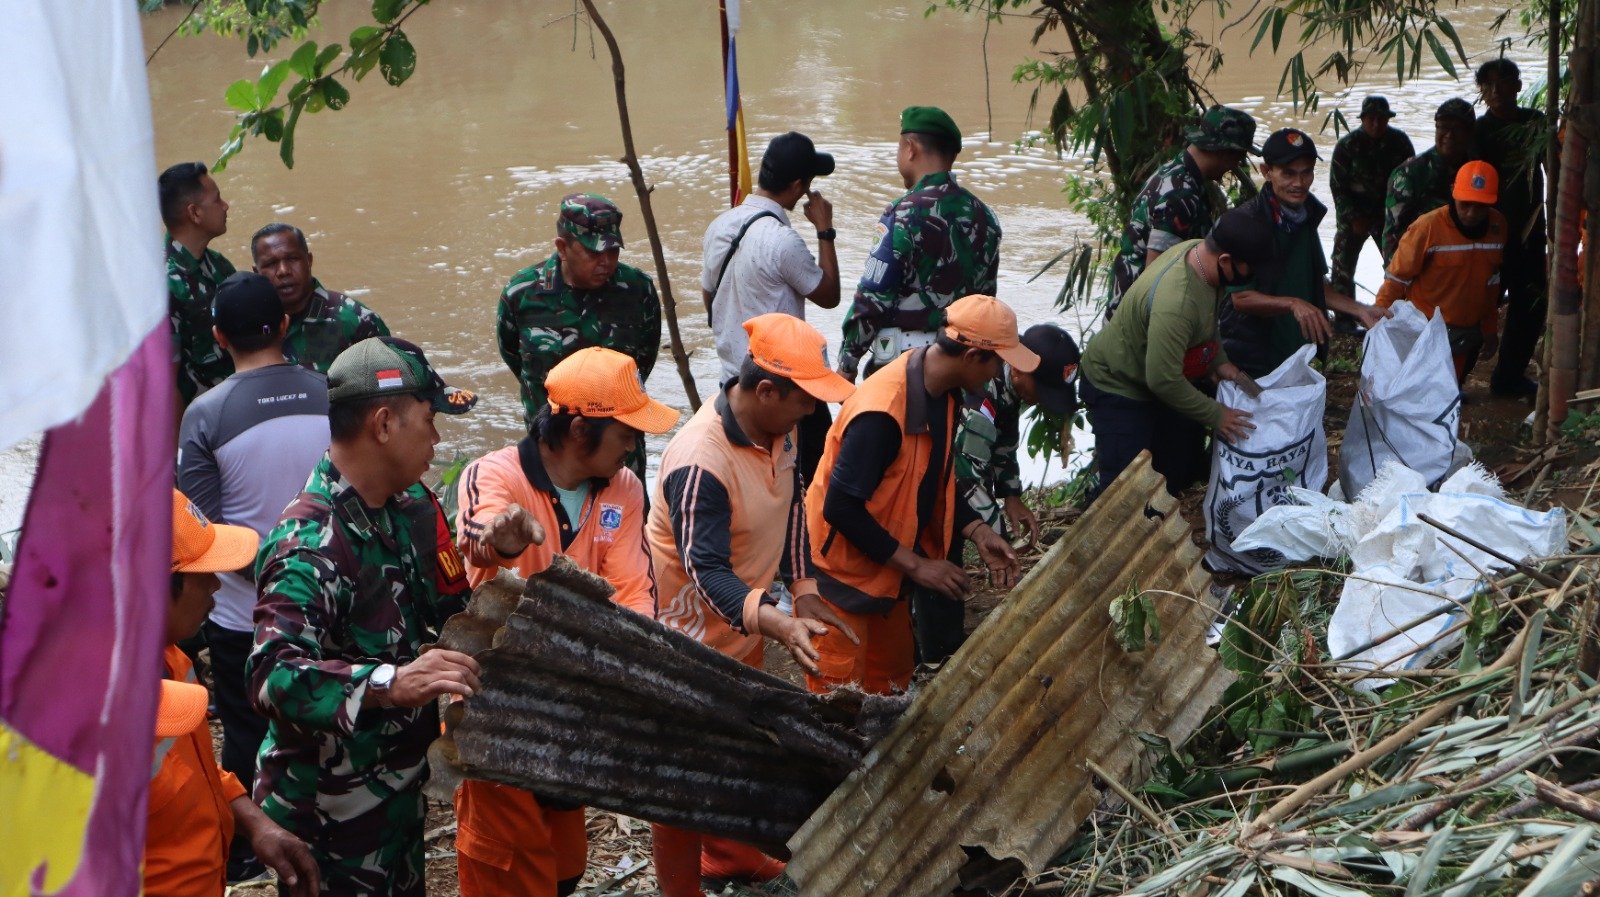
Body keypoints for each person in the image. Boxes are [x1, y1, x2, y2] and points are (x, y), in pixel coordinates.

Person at [250, 336, 483, 897]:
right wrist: (388, 683)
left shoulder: (412, 508)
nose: (437, 437)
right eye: (429, 420)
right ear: (384, 424)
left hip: (395, 794)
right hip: (328, 817)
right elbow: (272, 676)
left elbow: (449, 611)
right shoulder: (310, 543)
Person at [451, 347, 679, 897]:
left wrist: (636, 672)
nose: (633, 445)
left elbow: (631, 591)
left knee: (563, 865)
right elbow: (479, 538)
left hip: (575, 700)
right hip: (497, 701)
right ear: (580, 429)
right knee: (505, 863)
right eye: (625, 433)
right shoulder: (496, 475)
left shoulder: (621, 487)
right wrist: (497, 542)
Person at [647, 313, 859, 897]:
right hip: (688, 640)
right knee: (682, 776)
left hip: (744, 629)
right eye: (804, 401)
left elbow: (790, 510)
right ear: (766, 391)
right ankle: (678, 888)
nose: (813, 413)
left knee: (736, 749)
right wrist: (773, 617)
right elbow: (705, 568)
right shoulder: (700, 461)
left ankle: (728, 854)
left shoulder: (778, 431)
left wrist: (805, 592)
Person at [175, 271, 329, 883]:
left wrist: (266, 573)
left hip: (243, 612)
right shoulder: (329, 393)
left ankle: (247, 852)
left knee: (246, 729)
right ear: (285, 326)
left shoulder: (206, 414)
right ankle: (325, 830)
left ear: (217, 336)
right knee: (323, 714)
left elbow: (202, 530)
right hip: (326, 599)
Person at [806, 294, 1029, 696]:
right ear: (974, 355)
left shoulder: (943, 393)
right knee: (835, 700)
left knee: (891, 686)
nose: (1000, 371)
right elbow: (839, 507)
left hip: (889, 576)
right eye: (997, 360)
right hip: (842, 576)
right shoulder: (881, 413)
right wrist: (918, 566)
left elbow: (932, 480)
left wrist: (978, 530)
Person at [148, 490, 318, 897]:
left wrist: (252, 820)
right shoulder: (80, 720)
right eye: (201, 572)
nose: (215, 586)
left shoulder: (171, 659)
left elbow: (194, 767)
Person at [914, 323, 1081, 665]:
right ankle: (935, 655)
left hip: (945, 477)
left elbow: (1005, 441)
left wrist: (1012, 495)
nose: (1042, 400)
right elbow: (965, 476)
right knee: (939, 552)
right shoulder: (981, 397)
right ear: (1019, 369)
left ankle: (937, 640)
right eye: (1042, 388)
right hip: (922, 482)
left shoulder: (1010, 386)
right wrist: (995, 535)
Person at [1079, 207, 1274, 497]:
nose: (1251, 277)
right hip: (1117, 383)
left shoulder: (1199, 255)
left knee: (1176, 468)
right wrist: (1216, 414)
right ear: (1224, 259)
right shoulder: (1178, 301)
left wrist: (1219, 362)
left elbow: (1205, 321)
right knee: (1125, 491)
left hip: (1155, 373)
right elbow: (1163, 380)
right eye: (1249, 270)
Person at [701, 131, 841, 482]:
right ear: (797, 186)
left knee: (748, 484)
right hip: (785, 388)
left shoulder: (718, 226)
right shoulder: (782, 240)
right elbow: (828, 294)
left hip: (732, 387)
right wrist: (825, 230)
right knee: (814, 484)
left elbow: (708, 299)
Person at [497, 193, 662, 480]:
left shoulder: (637, 291)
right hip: (552, 454)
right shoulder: (522, 294)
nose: (607, 262)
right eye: (594, 253)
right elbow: (514, 356)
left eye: (613, 251)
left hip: (619, 456)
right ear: (563, 247)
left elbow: (642, 363)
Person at [839, 107, 1001, 380]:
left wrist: (848, 362)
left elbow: (873, 299)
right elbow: (985, 304)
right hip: (960, 371)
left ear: (910, 148)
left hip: (902, 372)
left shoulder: (902, 214)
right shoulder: (986, 218)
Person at [1220, 128, 1390, 378]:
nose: (1299, 184)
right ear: (1266, 172)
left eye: (1306, 173)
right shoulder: (1245, 223)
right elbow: (1240, 299)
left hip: (1296, 353)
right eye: (1288, 174)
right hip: (1253, 356)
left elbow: (1315, 285)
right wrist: (1293, 304)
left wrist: (1360, 309)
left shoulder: (1305, 217)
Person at [1108, 106, 1259, 312]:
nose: (1235, 166)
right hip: (1139, 320)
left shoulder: (1175, 171)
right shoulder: (1180, 195)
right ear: (1224, 151)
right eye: (1237, 157)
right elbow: (1157, 277)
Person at [1376, 161, 1508, 384]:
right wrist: (1378, 322)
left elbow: (1491, 284)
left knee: (1447, 391)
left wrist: (1489, 328)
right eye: (1465, 204)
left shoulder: (1498, 227)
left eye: (1480, 206)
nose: (1472, 213)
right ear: (1453, 194)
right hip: (1424, 330)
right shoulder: (1427, 228)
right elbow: (1396, 279)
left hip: (1465, 334)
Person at [1476, 58, 1549, 397]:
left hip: (1531, 229)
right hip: (1492, 234)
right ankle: (1451, 376)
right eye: (1488, 85)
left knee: (1531, 303)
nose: (1496, 91)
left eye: (1503, 83)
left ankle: (1508, 377)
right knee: (1478, 304)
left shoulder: (1535, 123)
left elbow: (1556, 169)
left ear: (1518, 86)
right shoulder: (1479, 132)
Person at [250, 223, 391, 374]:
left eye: (292, 259)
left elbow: (393, 386)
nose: (283, 271)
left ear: (309, 261)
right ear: (256, 272)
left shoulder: (356, 321)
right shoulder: (247, 325)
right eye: (271, 264)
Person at [161, 161, 237, 406]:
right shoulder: (163, 285)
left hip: (230, 400)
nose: (225, 206)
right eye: (217, 200)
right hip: (196, 416)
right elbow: (165, 382)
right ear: (194, 213)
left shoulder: (218, 264)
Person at [1329, 96, 1416, 304]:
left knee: (1399, 262)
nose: (1376, 124)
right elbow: (1338, 188)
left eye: (1381, 119)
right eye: (1371, 119)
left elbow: (1411, 178)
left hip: (1388, 213)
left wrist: (1402, 218)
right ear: (1363, 119)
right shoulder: (1347, 146)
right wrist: (1353, 218)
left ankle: (1400, 309)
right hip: (1354, 212)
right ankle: (1343, 318)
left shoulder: (1400, 142)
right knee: (1342, 265)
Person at [1382, 98, 1476, 261]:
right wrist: (1398, 280)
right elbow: (1393, 237)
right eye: (1443, 127)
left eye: (1457, 129)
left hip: (1464, 265)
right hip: (1422, 265)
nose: (1449, 135)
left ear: (1470, 133)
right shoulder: (1409, 173)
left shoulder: (1477, 172)